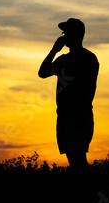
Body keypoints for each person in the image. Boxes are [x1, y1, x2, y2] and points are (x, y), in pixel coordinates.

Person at [38, 18, 98, 173]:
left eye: (67, 32)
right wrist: (54, 50)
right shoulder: (63, 60)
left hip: (79, 116)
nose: (64, 36)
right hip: (64, 116)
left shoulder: (88, 59)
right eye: (64, 33)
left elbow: (88, 90)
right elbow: (42, 73)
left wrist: (76, 110)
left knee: (78, 160)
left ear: (78, 35)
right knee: (74, 160)